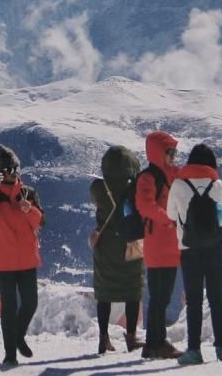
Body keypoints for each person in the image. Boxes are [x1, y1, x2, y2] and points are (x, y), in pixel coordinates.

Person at [0, 142, 44, 369]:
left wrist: (29, 210)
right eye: (7, 170)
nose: (12, 174)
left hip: (26, 258)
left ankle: (18, 337)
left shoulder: (28, 193)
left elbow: (40, 222)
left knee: (30, 303)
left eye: (14, 169)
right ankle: (10, 354)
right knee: (9, 306)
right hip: (3, 260)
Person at [167, 144, 222, 365]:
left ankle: (194, 350)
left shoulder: (178, 184)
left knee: (194, 301)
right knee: (216, 299)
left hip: (189, 250)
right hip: (216, 248)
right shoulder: (218, 184)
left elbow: (170, 214)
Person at [90, 145, 144, 354]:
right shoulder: (135, 187)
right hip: (130, 243)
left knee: (104, 292)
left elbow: (95, 201)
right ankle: (131, 337)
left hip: (105, 245)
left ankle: (103, 338)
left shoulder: (98, 188)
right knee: (133, 288)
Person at [136, 129, 181, 359]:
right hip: (157, 244)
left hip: (171, 245)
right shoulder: (148, 177)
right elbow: (145, 206)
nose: (173, 157)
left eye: (174, 152)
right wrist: (169, 219)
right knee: (158, 296)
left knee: (163, 296)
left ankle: (154, 343)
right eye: (169, 152)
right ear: (158, 153)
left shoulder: (174, 174)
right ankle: (156, 342)